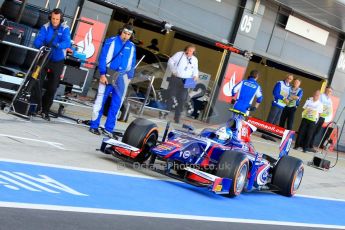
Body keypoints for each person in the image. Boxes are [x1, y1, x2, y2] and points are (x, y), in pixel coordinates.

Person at [89, 24, 136, 137]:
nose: (126, 36)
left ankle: (109, 128)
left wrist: (129, 77)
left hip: (122, 77)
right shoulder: (111, 41)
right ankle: (94, 125)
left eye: (129, 34)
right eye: (125, 33)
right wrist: (102, 73)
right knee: (101, 100)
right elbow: (103, 57)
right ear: (121, 31)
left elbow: (132, 63)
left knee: (116, 104)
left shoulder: (132, 46)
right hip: (109, 74)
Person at [32, 8, 71, 121]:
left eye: (57, 19)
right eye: (53, 18)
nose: (54, 21)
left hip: (58, 60)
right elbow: (38, 41)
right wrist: (41, 45)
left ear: (61, 19)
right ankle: (34, 108)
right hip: (45, 58)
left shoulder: (65, 28)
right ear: (50, 17)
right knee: (37, 82)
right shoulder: (45, 27)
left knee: (53, 87)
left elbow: (67, 42)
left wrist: (57, 45)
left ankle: (45, 110)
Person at [162, 44, 199, 123]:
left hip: (188, 80)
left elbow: (195, 69)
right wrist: (174, 71)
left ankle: (177, 118)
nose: (190, 52)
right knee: (171, 96)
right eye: (189, 50)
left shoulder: (195, 59)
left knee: (182, 99)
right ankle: (165, 114)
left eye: (192, 51)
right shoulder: (179, 54)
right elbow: (170, 61)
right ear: (186, 50)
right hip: (176, 77)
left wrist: (196, 76)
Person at [261, 74, 293, 141]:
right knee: (271, 119)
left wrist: (289, 99)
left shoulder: (290, 87)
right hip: (276, 104)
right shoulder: (279, 83)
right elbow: (275, 93)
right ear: (285, 77)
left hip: (282, 106)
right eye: (288, 78)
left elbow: (288, 96)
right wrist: (283, 98)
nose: (288, 79)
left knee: (276, 121)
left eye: (290, 79)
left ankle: (269, 134)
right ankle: (264, 134)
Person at [308, 86, 333, 152]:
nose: (328, 92)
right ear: (325, 90)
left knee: (316, 132)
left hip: (323, 118)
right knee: (312, 130)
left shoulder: (330, 100)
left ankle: (310, 145)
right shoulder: (321, 96)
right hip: (317, 116)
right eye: (327, 91)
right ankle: (308, 145)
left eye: (330, 91)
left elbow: (330, 109)